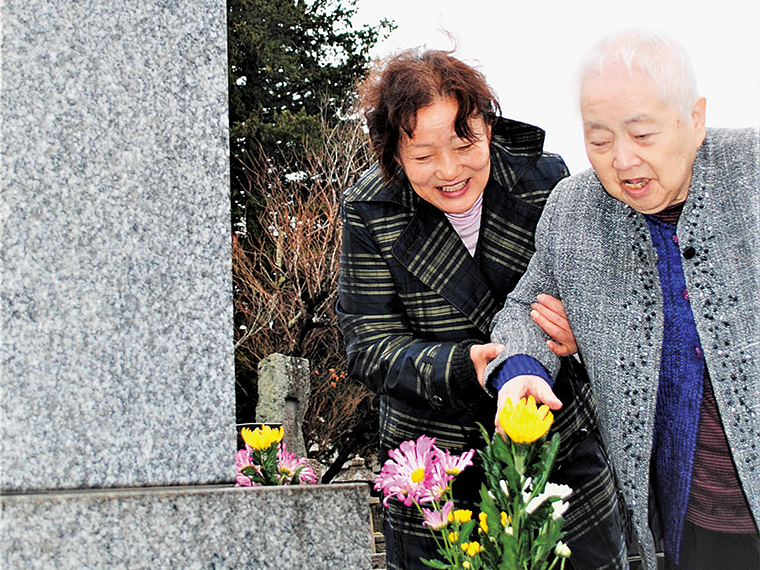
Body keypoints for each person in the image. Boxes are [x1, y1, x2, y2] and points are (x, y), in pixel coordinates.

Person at [337, 48, 627, 570]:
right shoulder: (369, 211)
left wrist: (583, 333)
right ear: (395, 158)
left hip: (555, 433)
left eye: (463, 142)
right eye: (423, 156)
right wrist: (461, 365)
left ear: (488, 126)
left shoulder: (546, 178)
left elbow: (610, 291)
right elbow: (367, 344)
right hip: (434, 460)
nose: (449, 171)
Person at [486, 29, 760, 570]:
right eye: (600, 138)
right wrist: (522, 367)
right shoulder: (575, 209)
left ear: (695, 119)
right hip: (697, 519)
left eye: (643, 134)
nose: (623, 160)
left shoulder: (751, 171)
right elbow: (524, 308)